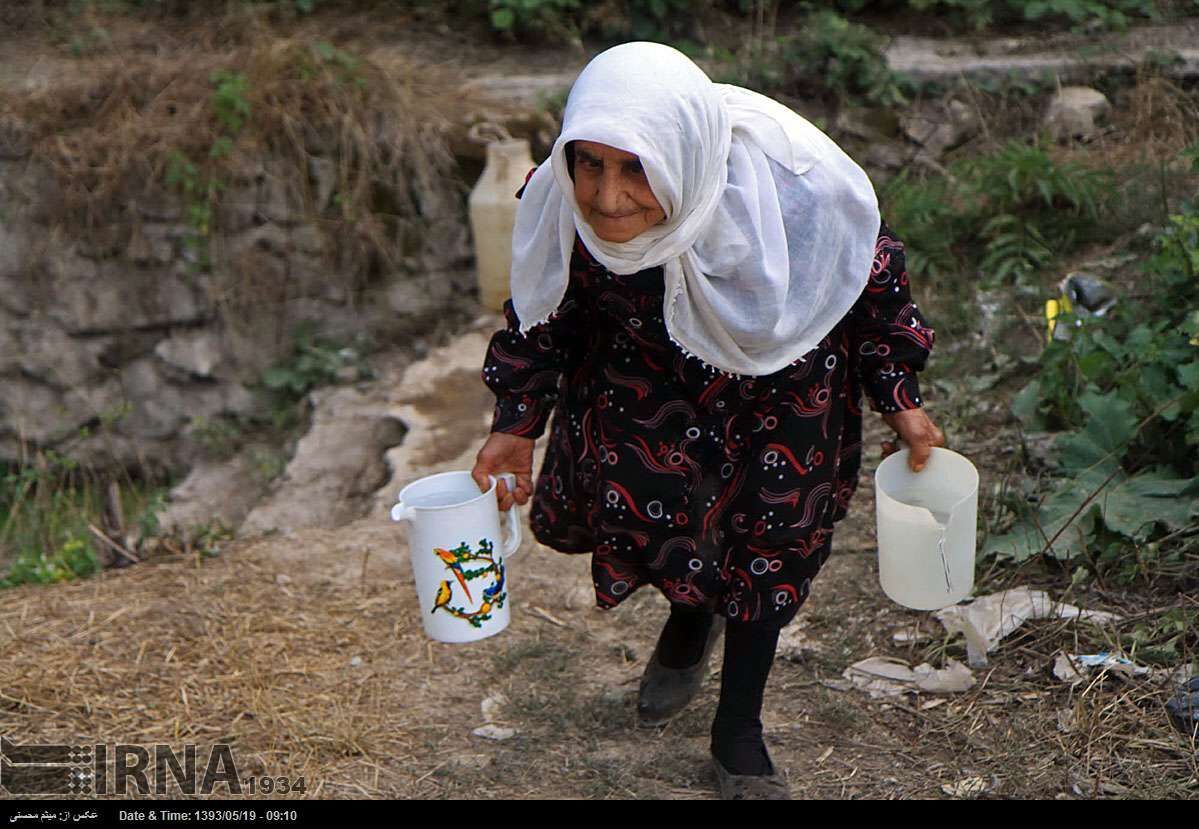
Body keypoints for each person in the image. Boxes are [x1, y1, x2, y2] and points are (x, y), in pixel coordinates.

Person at [470, 41, 944, 799]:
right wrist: (516, 420)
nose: (607, 198)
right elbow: (541, 311)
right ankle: (691, 622)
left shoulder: (793, 190)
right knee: (666, 528)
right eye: (588, 162)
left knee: (768, 551)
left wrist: (899, 398)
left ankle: (738, 728)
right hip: (645, 398)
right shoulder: (557, 198)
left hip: (782, 402)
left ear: (683, 155)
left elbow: (869, 284)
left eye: (635, 167)